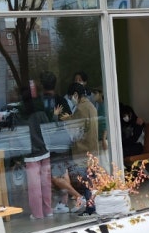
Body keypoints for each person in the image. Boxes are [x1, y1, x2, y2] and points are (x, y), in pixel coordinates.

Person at [56, 81, 99, 213]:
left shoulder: (81, 108)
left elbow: (77, 129)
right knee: (91, 181)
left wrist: (67, 119)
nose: (70, 100)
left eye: (70, 97)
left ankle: (90, 209)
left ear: (75, 94)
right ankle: (91, 207)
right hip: (92, 149)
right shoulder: (90, 106)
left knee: (87, 183)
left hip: (83, 151)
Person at [22, 91, 53, 221]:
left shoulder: (24, 118)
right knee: (46, 184)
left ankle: (37, 213)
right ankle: (48, 210)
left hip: (31, 154)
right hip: (45, 151)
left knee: (35, 187)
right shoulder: (42, 114)